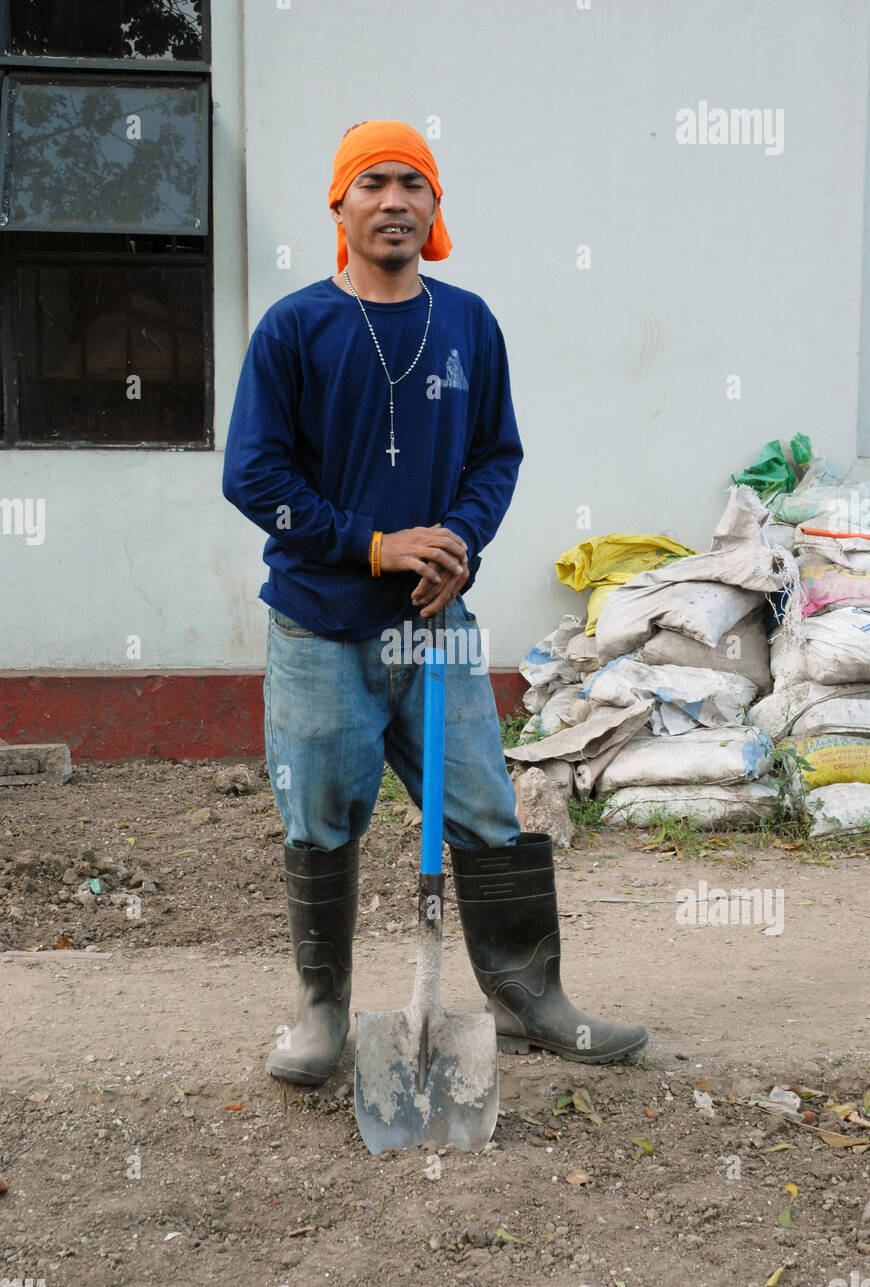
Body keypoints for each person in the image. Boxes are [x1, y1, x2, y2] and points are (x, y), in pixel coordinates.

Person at [223, 120, 648, 1087]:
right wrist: (370, 544)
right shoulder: (295, 327)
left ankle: (530, 996)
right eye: (373, 182)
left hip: (435, 629)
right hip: (320, 626)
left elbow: (497, 454)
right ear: (340, 205)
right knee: (321, 818)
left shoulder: (467, 323)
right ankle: (322, 1009)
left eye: (414, 183)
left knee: (486, 811)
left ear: (434, 207)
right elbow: (253, 475)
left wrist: (459, 542)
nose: (395, 199)